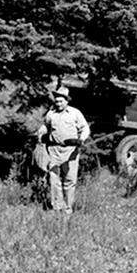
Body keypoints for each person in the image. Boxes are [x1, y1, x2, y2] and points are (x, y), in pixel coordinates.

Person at [38, 86, 90, 214]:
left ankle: (68, 208)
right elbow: (46, 125)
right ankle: (57, 207)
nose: (59, 104)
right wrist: (41, 132)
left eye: (61, 101)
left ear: (67, 101)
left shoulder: (75, 113)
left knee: (70, 180)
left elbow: (85, 128)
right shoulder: (51, 114)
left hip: (71, 151)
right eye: (57, 101)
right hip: (54, 150)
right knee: (54, 179)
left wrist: (81, 140)